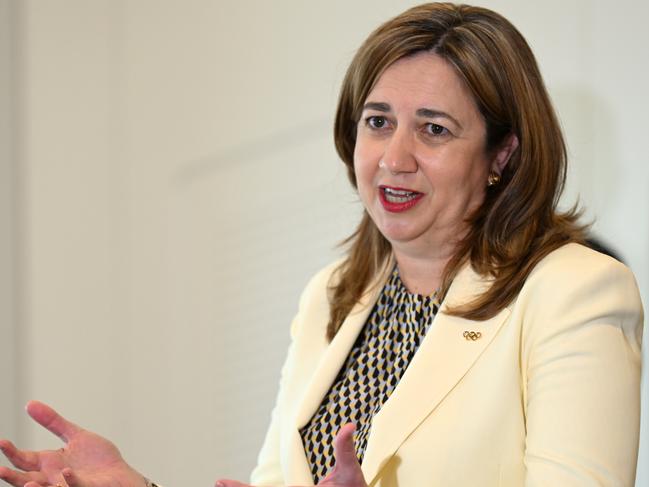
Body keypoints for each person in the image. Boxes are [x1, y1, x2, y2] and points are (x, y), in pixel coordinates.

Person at [0, 3, 643, 487]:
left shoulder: (573, 290)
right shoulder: (332, 296)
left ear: (501, 154)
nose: (395, 158)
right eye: (378, 122)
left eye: (435, 129)